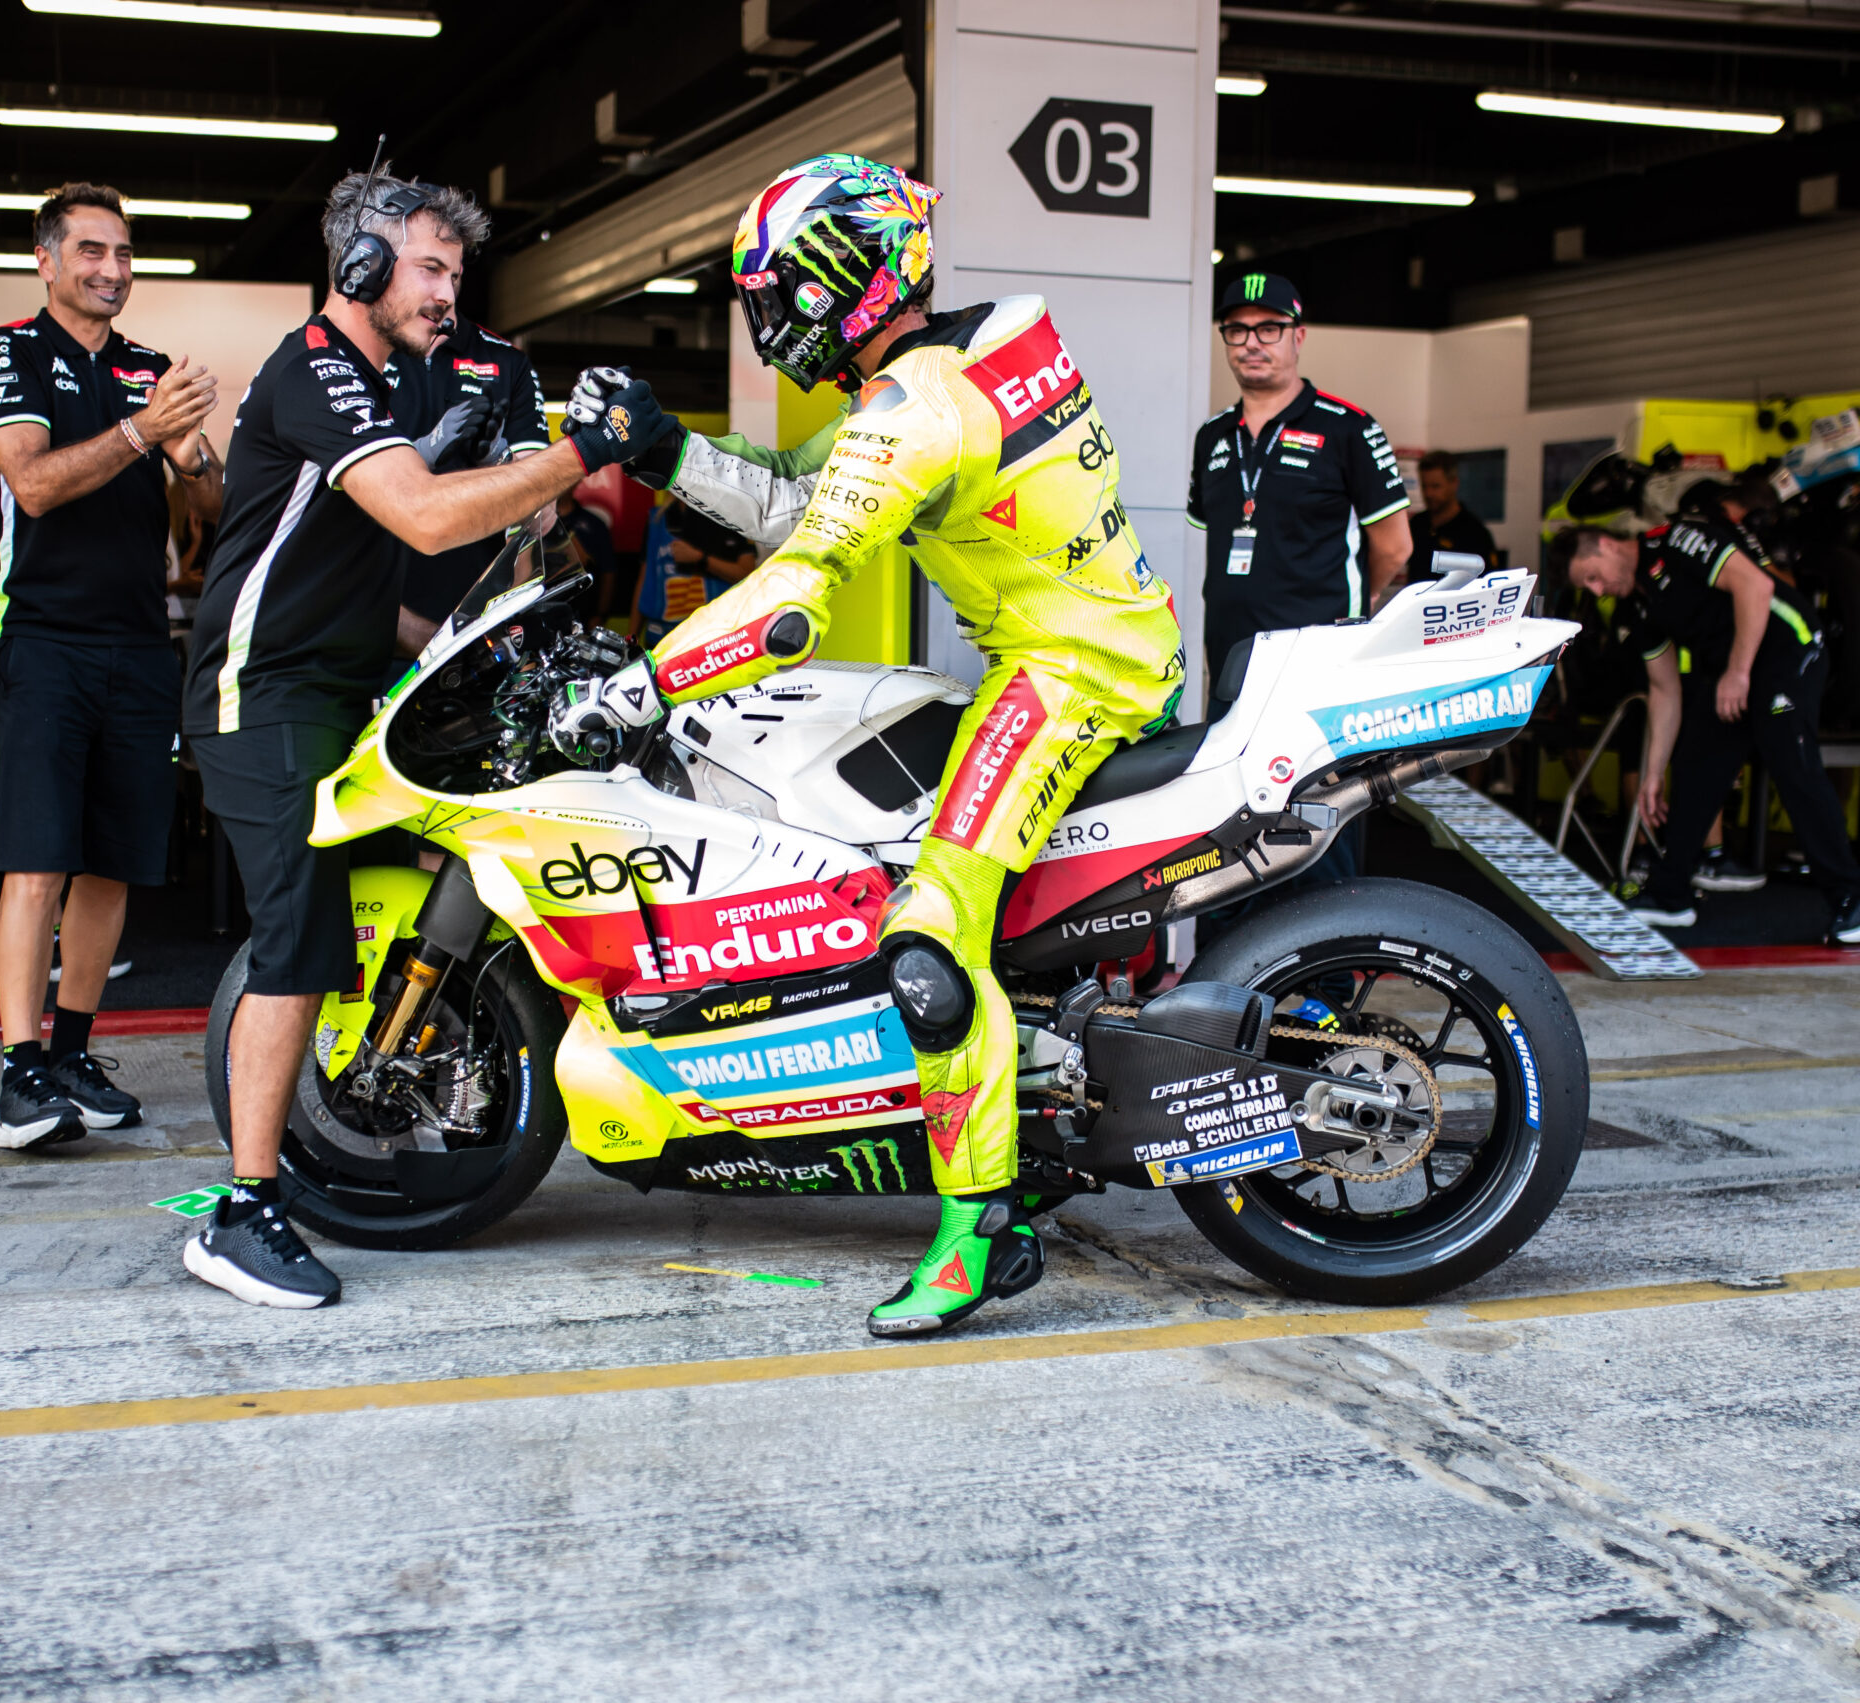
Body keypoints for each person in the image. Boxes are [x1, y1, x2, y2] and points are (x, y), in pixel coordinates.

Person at [549, 153, 1184, 1338]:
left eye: (779, 290)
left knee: (925, 943)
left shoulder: (917, 407)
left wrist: (639, 689)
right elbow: (806, 496)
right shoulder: (956, 363)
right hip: (1102, 646)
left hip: (1066, 673)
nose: (768, 317)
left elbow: (794, 589)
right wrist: (664, 449)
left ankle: (975, 1233)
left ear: (844, 275)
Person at [179, 167, 662, 1310]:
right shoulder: (318, 370)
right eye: (431, 268)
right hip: (265, 690)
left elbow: (491, 523)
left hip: (353, 673)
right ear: (359, 266)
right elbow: (428, 515)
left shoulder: (395, 381)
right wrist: (578, 448)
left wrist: (547, 466)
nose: (451, 291)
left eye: (458, 272)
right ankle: (242, 1211)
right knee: (299, 935)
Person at [0, 183, 224, 1149]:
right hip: (39, 636)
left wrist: (195, 456)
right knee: (39, 857)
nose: (111, 269)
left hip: (137, 641)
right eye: (90, 251)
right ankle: (20, 1073)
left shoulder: (149, 369)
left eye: (123, 253)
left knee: (116, 861)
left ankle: (73, 1051)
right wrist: (142, 434)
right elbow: (32, 484)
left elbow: (211, 502)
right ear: (46, 260)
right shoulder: (8, 351)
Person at [1565, 523, 1860, 945]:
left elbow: (1755, 586)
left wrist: (1739, 674)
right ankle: (1671, 896)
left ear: (1608, 546)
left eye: (1593, 576)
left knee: (1793, 767)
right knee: (1695, 764)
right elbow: (1665, 690)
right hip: (1730, 671)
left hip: (1786, 645)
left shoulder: (1677, 540)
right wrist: (1653, 774)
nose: (1596, 591)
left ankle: (1851, 899)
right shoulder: (1637, 607)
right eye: (1586, 586)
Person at [1189, 273, 1411, 717]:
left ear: (1299, 336)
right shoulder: (1212, 435)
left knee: (1319, 788)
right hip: (1230, 664)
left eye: (1269, 328)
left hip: (1316, 664)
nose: (1252, 343)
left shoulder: (1348, 428)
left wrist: (1358, 601)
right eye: (1237, 330)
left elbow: (1396, 546)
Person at [392, 316, 553, 653]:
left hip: (480, 635)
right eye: (428, 268)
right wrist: (420, 453)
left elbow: (541, 515)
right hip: (374, 623)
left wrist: (501, 464)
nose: (440, 288)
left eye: (451, 271)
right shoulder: (363, 352)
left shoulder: (506, 360)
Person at [634, 498, 757, 646]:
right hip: (661, 638)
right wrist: (630, 641)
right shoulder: (658, 517)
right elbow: (644, 580)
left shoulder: (732, 516)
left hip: (712, 640)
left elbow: (748, 576)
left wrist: (701, 559)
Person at [1406, 449, 1499, 582]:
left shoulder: (1475, 533)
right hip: (1417, 601)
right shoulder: (1416, 524)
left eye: (1436, 486)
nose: (1428, 493)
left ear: (1454, 483)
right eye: (1424, 486)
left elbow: (1488, 584)